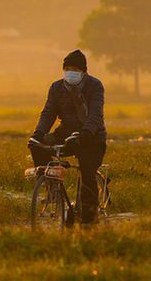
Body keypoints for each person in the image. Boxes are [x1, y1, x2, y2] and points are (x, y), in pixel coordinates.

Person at [28, 49, 107, 225]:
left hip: (92, 137)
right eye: (68, 68)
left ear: (84, 72)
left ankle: (89, 218)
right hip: (65, 133)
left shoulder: (95, 86)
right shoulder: (56, 87)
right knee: (36, 145)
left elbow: (95, 114)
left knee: (87, 172)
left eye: (75, 69)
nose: (71, 72)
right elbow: (48, 113)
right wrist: (39, 133)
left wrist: (86, 133)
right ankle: (51, 190)